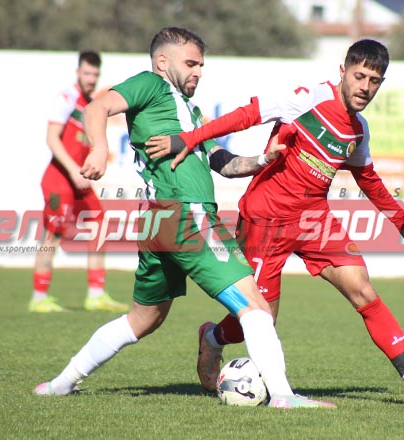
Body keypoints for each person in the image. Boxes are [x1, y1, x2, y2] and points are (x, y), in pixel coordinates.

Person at [34, 27, 335, 409]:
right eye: (190, 63)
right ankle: (283, 396)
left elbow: (223, 164)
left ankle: (60, 384)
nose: (198, 71)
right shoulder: (151, 85)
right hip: (188, 215)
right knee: (255, 307)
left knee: (142, 320)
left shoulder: (189, 113)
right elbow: (97, 108)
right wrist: (99, 148)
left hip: (160, 222)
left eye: (201, 65)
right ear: (163, 62)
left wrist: (264, 159)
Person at [146, 39, 404, 406]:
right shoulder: (307, 99)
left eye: (374, 80)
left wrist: (399, 218)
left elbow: (366, 177)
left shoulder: (358, 131)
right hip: (265, 218)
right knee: (260, 318)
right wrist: (189, 137)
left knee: (363, 289)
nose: (365, 87)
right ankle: (212, 337)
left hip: (313, 219)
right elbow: (246, 116)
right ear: (343, 72)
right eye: (359, 76)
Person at [30, 50, 130, 313]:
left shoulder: (92, 105)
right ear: (78, 73)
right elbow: (52, 138)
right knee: (54, 235)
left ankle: (95, 294)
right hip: (59, 180)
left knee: (99, 223)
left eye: (95, 74)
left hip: (80, 181)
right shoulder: (67, 98)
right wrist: (74, 170)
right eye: (87, 73)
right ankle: (39, 298)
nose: (91, 78)